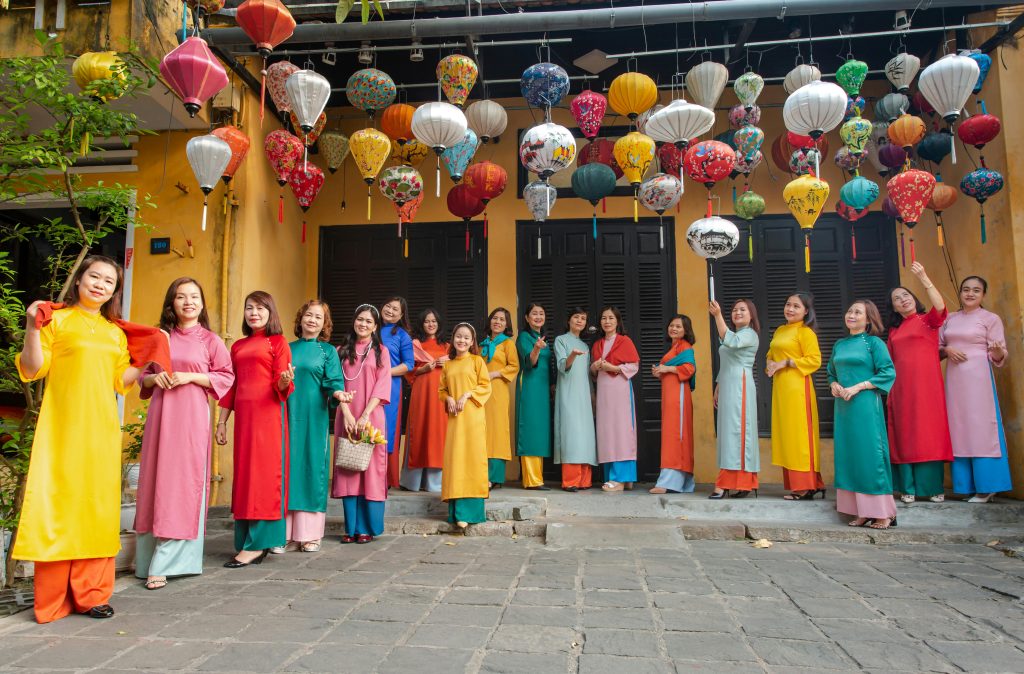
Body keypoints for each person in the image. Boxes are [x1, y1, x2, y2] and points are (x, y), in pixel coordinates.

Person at [15, 256, 146, 623]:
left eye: (109, 281)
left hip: (101, 431)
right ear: (79, 280)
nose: (101, 284)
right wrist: (30, 326)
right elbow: (31, 368)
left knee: (96, 509)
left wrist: (151, 355)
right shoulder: (54, 320)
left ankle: (91, 595)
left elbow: (122, 380)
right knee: (58, 506)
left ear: (114, 291)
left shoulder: (114, 333)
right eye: (95, 277)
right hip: (60, 430)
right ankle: (52, 598)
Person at [135, 278, 234, 590]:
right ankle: (148, 556)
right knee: (155, 480)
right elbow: (141, 375)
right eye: (181, 297)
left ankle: (166, 561)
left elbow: (225, 377)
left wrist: (190, 375)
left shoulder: (210, 341)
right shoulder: (158, 337)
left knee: (181, 481)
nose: (188, 302)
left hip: (191, 418)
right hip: (160, 418)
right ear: (172, 303)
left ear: (202, 303)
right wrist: (155, 379)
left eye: (194, 297)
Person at [216, 291, 294, 567]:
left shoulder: (278, 342)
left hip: (269, 418)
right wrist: (222, 421)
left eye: (260, 308)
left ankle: (259, 544)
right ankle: (247, 539)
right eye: (249, 308)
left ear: (270, 312)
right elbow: (231, 386)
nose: (254, 313)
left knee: (263, 476)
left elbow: (282, 384)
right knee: (246, 475)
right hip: (244, 420)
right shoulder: (237, 346)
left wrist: (285, 380)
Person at [283, 300, 351, 553]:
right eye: (309, 315)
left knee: (312, 468)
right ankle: (287, 534)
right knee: (288, 468)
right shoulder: (286, 348)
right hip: (286, 416)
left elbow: (334, 382)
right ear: (300, 319)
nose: (312, 320)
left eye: (318, 317)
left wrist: (339, 395)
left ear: (325, 324)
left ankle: (310, 534)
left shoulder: (327, 351)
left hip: (314, 417)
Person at [939, 275, 1012, 502]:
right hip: (954, 378)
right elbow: (939, 347)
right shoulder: (949, 319)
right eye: (966, 289)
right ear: (960, 293)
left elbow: (999, 355)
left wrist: (998, 350)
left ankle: (988, 486)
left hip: (978, 378)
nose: (970, 294)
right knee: (958, 427)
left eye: (976, 290)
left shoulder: (990, 318)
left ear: (983, 295)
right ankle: (966, 486)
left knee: (981, 427)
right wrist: (949, 349)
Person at [885, 262, 952, 503]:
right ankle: (908, 488)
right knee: (904, 434)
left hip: (927, 386)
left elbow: (940, 306)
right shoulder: (894, 331)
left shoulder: (927, 321)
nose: (903, 299)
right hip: (901, 388)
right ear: (892, 307)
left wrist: (924, 278)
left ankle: (933, 487)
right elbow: (890, 362)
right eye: (897, 298)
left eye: (906, 295)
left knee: (929, 433)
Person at [828, 300, 898, 529]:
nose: (851, 315)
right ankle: (860, 511)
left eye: (858, 312)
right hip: (843, 407)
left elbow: (888, 371)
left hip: (866, 404)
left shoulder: (874, 343)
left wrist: (858, 387)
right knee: (849, 455)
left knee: (870, 454)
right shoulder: (840, 344)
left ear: (868, 319)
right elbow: (830, 372)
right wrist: (834, 385)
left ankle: (882, 512)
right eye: (850, 310)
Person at [332, 304, 392, 543]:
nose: (363, 324)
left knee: (370, 470)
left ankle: (368, 527)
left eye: (368, 321)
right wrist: (347, 414)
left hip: (372, 414)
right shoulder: (340, 350)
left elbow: (382, 385)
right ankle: (351, 528)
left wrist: (365, 415)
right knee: (349, 467)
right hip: (346, 415)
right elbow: (336, 384)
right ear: (354, 321)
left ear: (375, 326)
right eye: (360, 319)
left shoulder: (381, 352)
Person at [766, 292, 824, 500]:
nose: (790, 309)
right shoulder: (781, 330)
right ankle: (808, 484)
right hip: (781, 388)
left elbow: (814, 360)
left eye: (796, 306)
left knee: (800, 437)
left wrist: (786, 363)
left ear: (806, 311)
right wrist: (770, 364)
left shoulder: (806, 332)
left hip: (798, 387)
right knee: (787, 436)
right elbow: (771, 354)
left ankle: (806, 486)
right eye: (788, 304)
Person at [439, 323, 492, 528]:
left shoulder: (477, 361)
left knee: (472, 459)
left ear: (472, 342)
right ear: (453, 339)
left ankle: (471, 513)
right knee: (456, 460)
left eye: (466, 338)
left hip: (474, 417)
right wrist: (449, 399)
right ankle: (456, 513)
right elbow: (441, 390)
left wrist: (468, 394)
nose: (462, 340)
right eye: (458, 337)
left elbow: (485, 386)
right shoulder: (448, 365)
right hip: (455, 419)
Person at [708, 299, 760, 499]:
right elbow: (725, 361)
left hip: (741, 384)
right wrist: (718, 385)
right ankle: (741, 483)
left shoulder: (749, 334)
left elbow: (729, 340)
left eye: (743, 309)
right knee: (727, 432)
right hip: (728, 383)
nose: (738, 312)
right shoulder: (735, 333)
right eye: (735, 309)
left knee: (738, 431)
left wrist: (717, 315)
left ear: (751, 314)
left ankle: (728, 482)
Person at [591, 307, 641, 492]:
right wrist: (595, 366)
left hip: (620, 389)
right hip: (604, 391)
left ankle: (621, 478)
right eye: (603, 318)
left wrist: (613, 367)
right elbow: (593, 372)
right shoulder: (597, 344)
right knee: (607, 432)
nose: (607, 321)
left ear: (618, 321)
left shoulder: (624, 341)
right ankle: (620, 478)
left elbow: (633, 366)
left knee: (622, 431)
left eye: (611, 318)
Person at [401, 308, 449, 493]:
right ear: (422, 324)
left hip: (441, 395)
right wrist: (424, 369)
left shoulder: (447, 346)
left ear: (439, 324)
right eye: (427, 321)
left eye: (434, 321)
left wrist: (448, 365)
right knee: (419, 430)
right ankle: (412, 482)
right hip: (421, 393)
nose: (431, 324)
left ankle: (435, 483)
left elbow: (458, 368)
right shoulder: (414, 345)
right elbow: (408, 370)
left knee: (437, 432)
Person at [650, 315, 697, 494]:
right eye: (671, 325)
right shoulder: (675, 347)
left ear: (686, 330)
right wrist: (660, 372)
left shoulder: (685, 347)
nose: (674, 329)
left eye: (678, 326)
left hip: (678, 396)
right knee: (674, 434)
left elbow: (690, 368)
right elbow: (672, 369)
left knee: (676, 435)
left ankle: (669, 482)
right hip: (670, 394)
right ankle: (682, 483)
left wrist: (666, 368)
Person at [553, 308, 597, 492]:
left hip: (584, 394)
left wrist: (592, 396)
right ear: (569, 320)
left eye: (583, 318)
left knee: (585, 436)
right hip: (568, 393)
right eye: (576, 317)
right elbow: (563, 366)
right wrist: (573, 355)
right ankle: (570, 480)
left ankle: (584, 480)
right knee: (571, 434)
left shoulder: (586, 346)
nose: (580, 321)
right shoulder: (561, 340)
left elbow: (587, 374)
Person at [481, 308, 520, 488]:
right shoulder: (481, 344)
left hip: (497, 390)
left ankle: (494, 476)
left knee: (497, 431)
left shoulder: (507, 344)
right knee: (482, 430)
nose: (497, 322)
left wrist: (496, 373)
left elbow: (514, 366)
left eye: (502, 320)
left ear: (507, 324)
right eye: (495, 318)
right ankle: (480, 474)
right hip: (480, 391)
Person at [515, 302, 552, 490]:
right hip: (529, 387)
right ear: (527, 318)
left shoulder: (542, 337)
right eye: (534, 314)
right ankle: (531, 480)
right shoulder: (523, 337)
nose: (538, 317)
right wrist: (537, 348)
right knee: (530, 430)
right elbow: (529, 362)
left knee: (540, 431)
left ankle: (537, 477)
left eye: (541, 313)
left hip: (543, 389)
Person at [380, 296, 414, 489]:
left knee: (387, 429)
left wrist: (383, 373)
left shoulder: (402, 335)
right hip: (366, 385)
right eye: (388, 306)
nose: (390, 311)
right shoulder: (370, 327)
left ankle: (385, 477)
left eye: (396, 309)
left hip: (390, 387)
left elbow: (408, 365)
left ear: (401, 315)